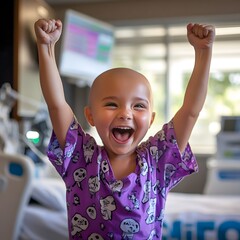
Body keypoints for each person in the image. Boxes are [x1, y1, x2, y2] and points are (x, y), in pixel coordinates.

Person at [34, 18, 215, 239]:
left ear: (150, 120)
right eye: (111, 104)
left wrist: (203, 52)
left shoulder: (157, 160)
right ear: (90, 115)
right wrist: (46, 47)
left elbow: (190, 111)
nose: (125, 113)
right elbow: (56, 104)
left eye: (138, 106)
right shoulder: (80, 158)